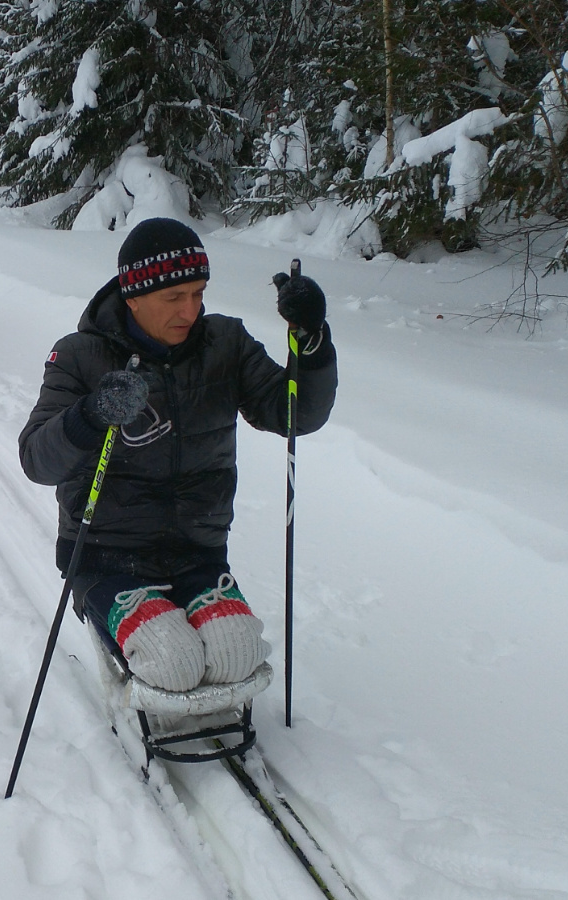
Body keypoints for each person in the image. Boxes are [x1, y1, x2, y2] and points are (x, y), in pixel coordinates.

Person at [18, 218, 337, 692]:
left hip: (197, 555)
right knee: (176, 665)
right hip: (106, 556)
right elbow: (36, 460)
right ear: (133, 297)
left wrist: (310, 340)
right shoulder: (81, 355)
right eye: (174, 298)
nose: (190, 311)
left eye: (198, 293)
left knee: (239, 655)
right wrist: (90, 414)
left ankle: (182, 619)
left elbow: (294, 415)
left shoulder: (224, 344)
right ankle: (135, 640)